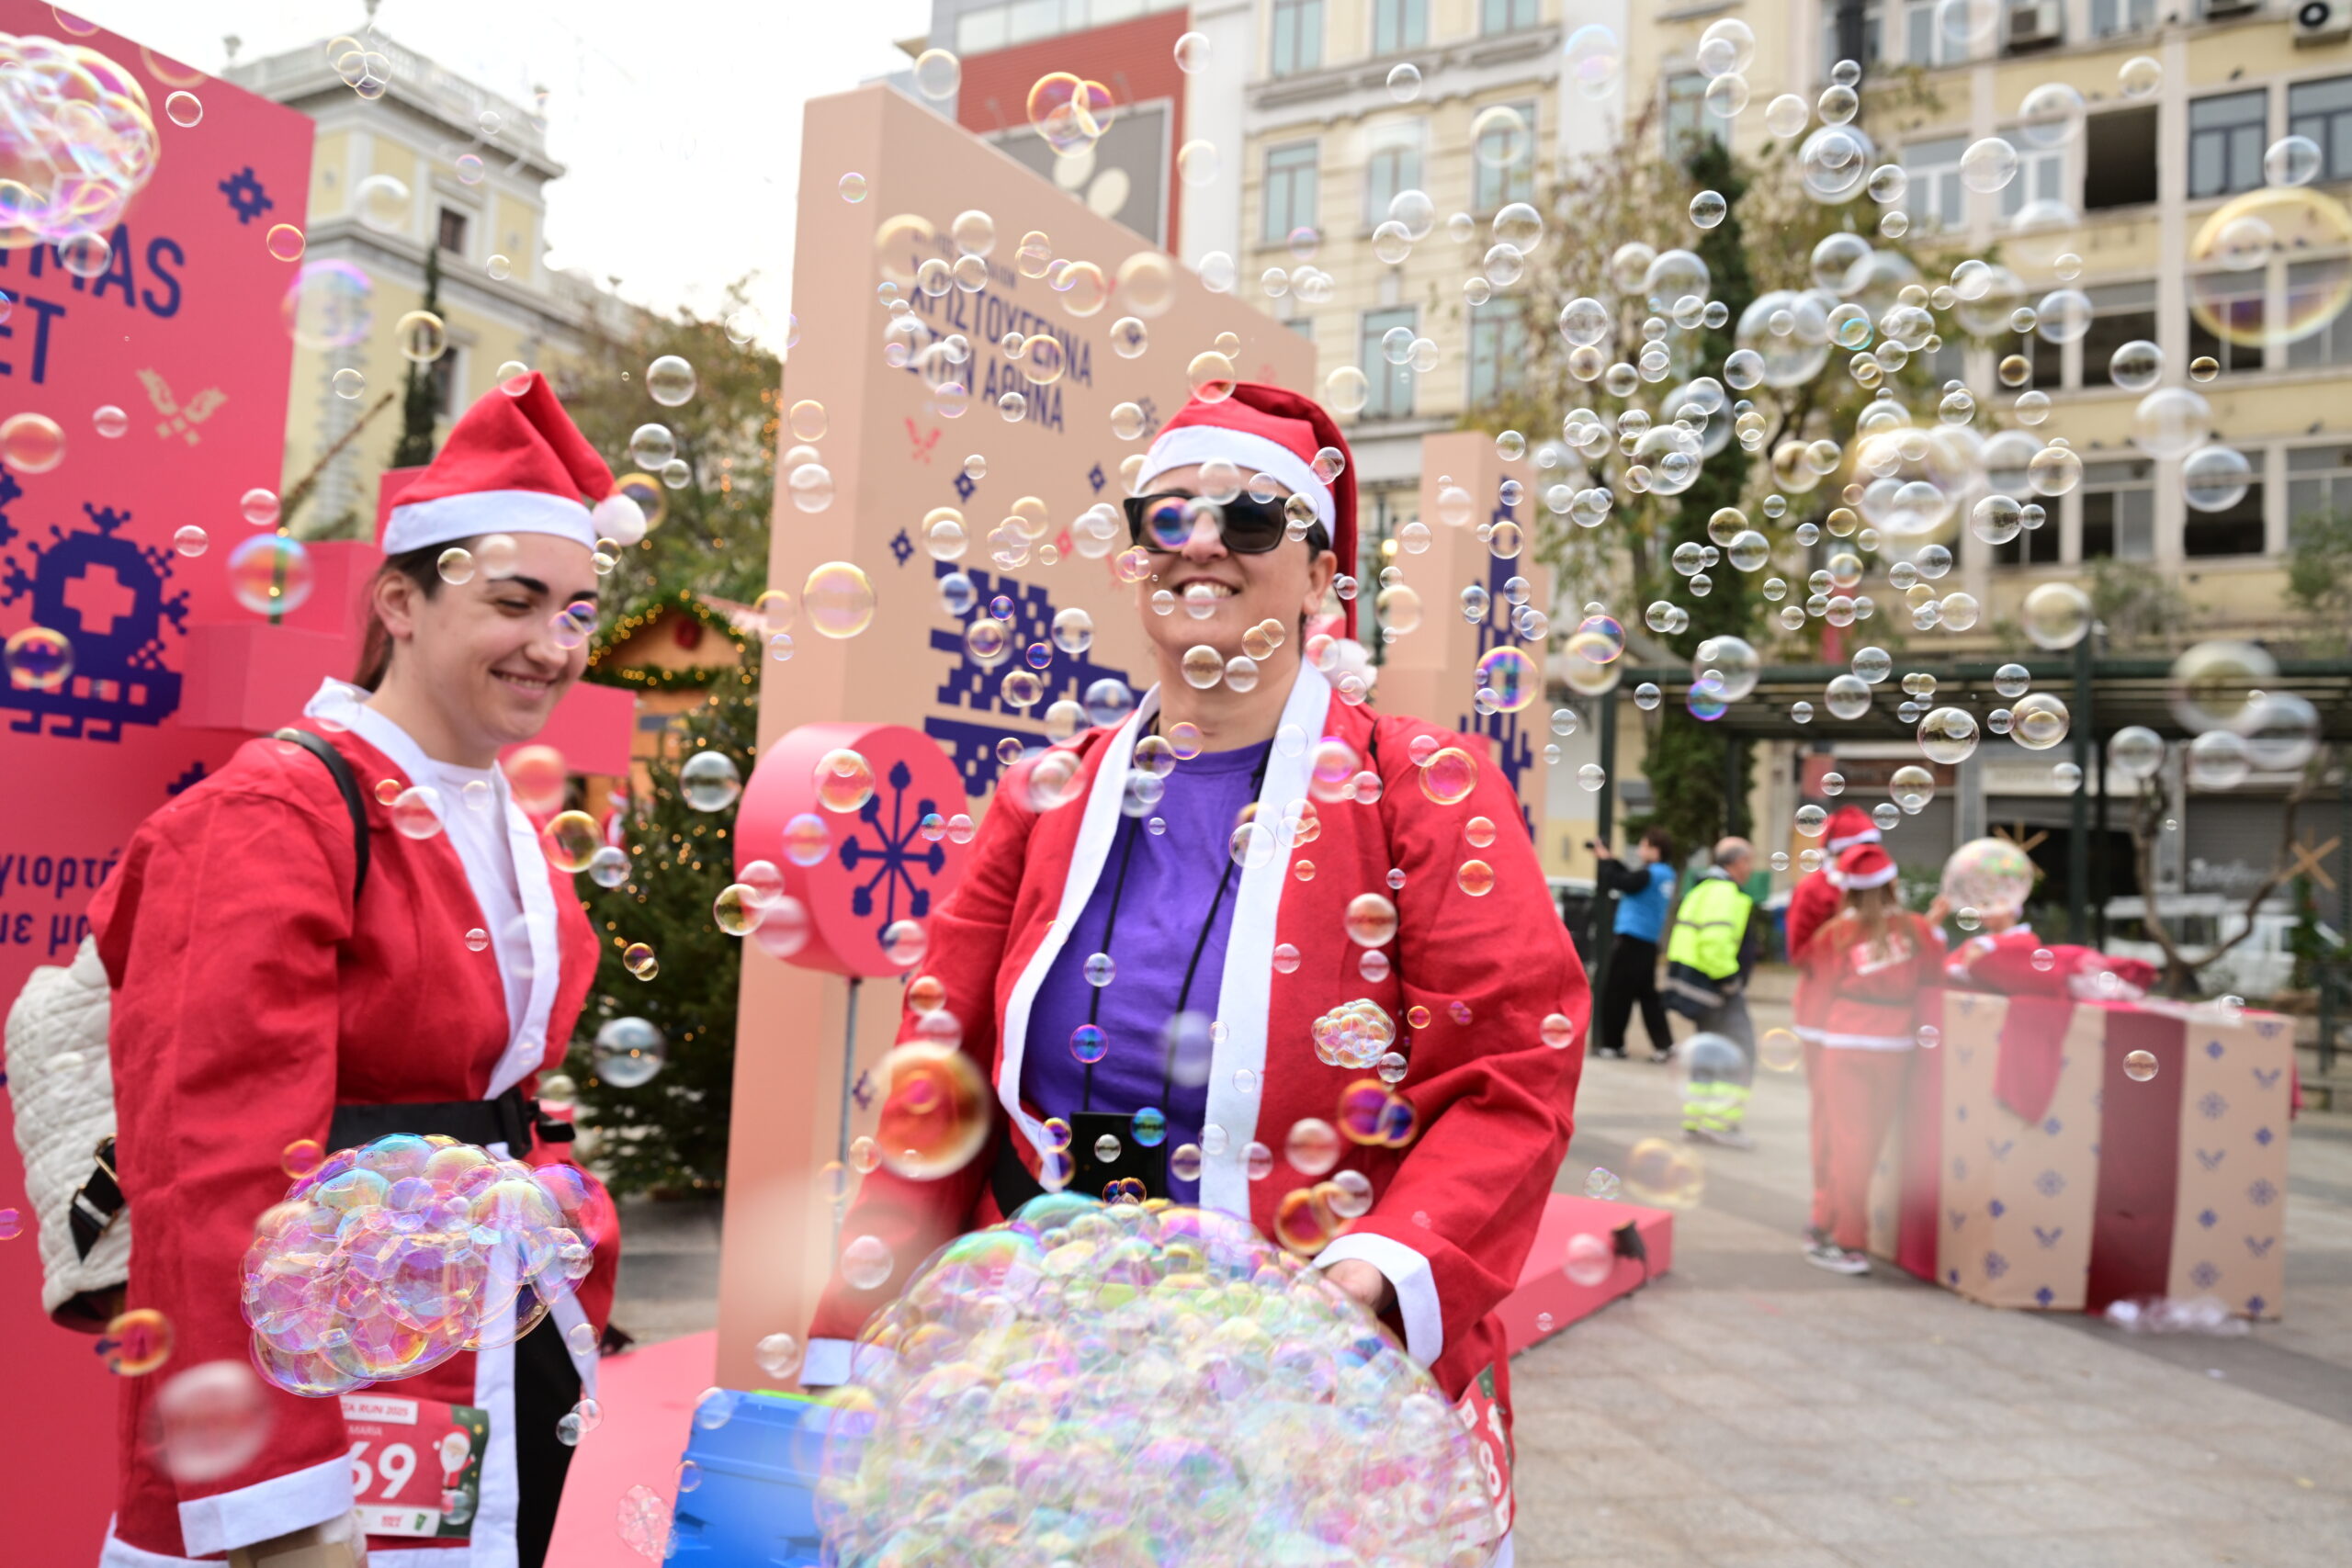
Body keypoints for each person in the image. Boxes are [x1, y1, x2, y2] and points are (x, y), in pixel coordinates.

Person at [802, 382, 1589, 1563]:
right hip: (1041, 1374)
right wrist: (839, 1351)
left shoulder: (1423, 788)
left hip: (1311, 1380)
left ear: (1325, 578)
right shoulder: (1039, 797)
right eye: (1166, 520)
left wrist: (1375, 1280)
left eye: (1253, 520)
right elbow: (937, 1093)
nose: (1202, 545)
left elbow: (1510, 1075)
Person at [85, 373, 631, 1568]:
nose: (555, 644)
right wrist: (281, 1501)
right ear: (399, 598)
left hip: (474, 1364)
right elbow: (212, 1170)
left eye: (580, 610)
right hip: (316, 1412)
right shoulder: (270, 811)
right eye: (516, 600)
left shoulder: (517, 826)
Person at [1792, 842, 1944, 1275]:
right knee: (1870, 1143)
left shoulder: (1835, 934)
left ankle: (1848, 1240)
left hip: (1844, 1045)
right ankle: (1833, 1225)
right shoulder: (1917, 930)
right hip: (1895, 1048)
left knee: (1846, 1143)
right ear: (1893, 882)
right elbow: (1934, 978)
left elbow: (1815, 988)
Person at [1786, 806, 1883, 1237]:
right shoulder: (1816, 892)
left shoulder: (1880, 890)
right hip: (1826, 1021)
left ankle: (1857, 1210)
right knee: (1831, 1122)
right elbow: (1800, 953)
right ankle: (1828, 1209)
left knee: (1863, 1123)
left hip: (1874, 1026)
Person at [1664, 836, 1763, 1145]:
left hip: (1697, 987)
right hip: (1716, 988)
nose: (1751, 868)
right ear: (1735, 862)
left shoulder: (1703, 887)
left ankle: (1697, 1120)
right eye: (1749, 861)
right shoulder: (1723, 892)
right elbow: (1715, 943)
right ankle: (1720, 1123)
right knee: (1741, 1051)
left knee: (1708, 1054)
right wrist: (1730, 981)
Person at [1590, 828, 1676, 1061]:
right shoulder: (1665, 873)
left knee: (1616, 993)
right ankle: (1665, 1046)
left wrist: (1605, 863)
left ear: (1654, 850)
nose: (1639, 850)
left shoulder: (1649, 874)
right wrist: (1610, 859)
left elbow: (1623, 882)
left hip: (1631, 940)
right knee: (1648, 996)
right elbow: (1631, 877)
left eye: (1643, 845)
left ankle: (1612, 1045)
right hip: (1648, 943)